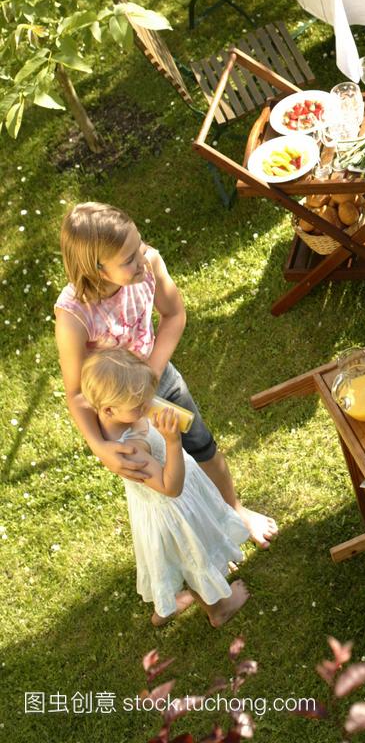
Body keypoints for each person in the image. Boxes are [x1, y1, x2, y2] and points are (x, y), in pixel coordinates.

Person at [54, 202, 277, 549]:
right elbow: (77, 393)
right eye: (128, 259)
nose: (140, 260)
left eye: (138, 246)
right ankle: (203, 545)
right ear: (96, 268)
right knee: (163, 486)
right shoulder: (73, 316)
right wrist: (100, 447)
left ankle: (234, 511)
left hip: (160, 380)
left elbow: (174, 315)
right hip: (120, 412)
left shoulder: (149, 264)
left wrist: (153, 377)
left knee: (202, 447)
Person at [80, 348, 249, 627]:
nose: (147, 406)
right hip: (174, 509)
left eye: (148, 397)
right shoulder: (131, 449)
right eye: (139, 405)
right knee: (190, 556)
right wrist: (172, 441)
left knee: (169, 559)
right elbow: (171, 487)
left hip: (157, 509)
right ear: (108, 409)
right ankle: (218, 609)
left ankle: (165, 606)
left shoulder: (112, 414)